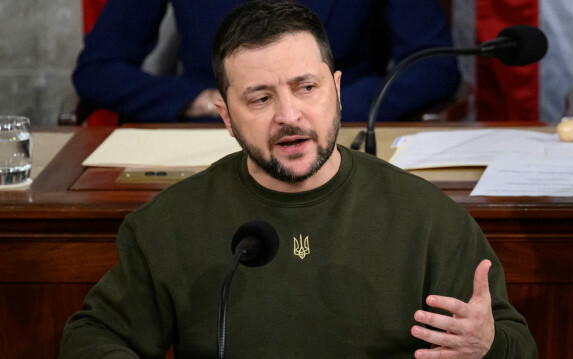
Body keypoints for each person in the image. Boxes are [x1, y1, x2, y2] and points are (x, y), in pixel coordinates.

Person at [59, 1, 536, 358]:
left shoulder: (427, 220)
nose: (290, 116)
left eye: (306, 88)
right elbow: (92, 337)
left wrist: (486, 346)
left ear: (337, 91)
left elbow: (515, 343)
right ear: (225, 116)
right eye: (260, 99)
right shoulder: (168, 224)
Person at [73, 0, 460, 123]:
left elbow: (433, 67)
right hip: (214, 137)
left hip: (342, 132)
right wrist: (205, 100)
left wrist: (321, 102)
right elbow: (98, 69)